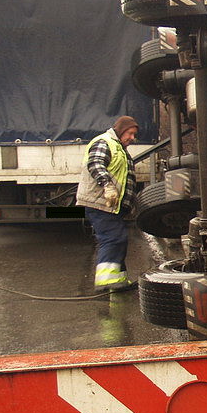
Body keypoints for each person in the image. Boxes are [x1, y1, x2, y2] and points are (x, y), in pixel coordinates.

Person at [76, 116, 139, 291]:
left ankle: (118, 279)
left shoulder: (119, 147)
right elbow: (95, 164)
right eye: (130, 134)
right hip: (101, 203)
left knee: (119, 239)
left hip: (112, 205)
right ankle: (106, 281)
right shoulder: (105, 142)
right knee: (113, 238)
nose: (132, 138)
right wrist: (108, 186)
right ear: (121, 130)